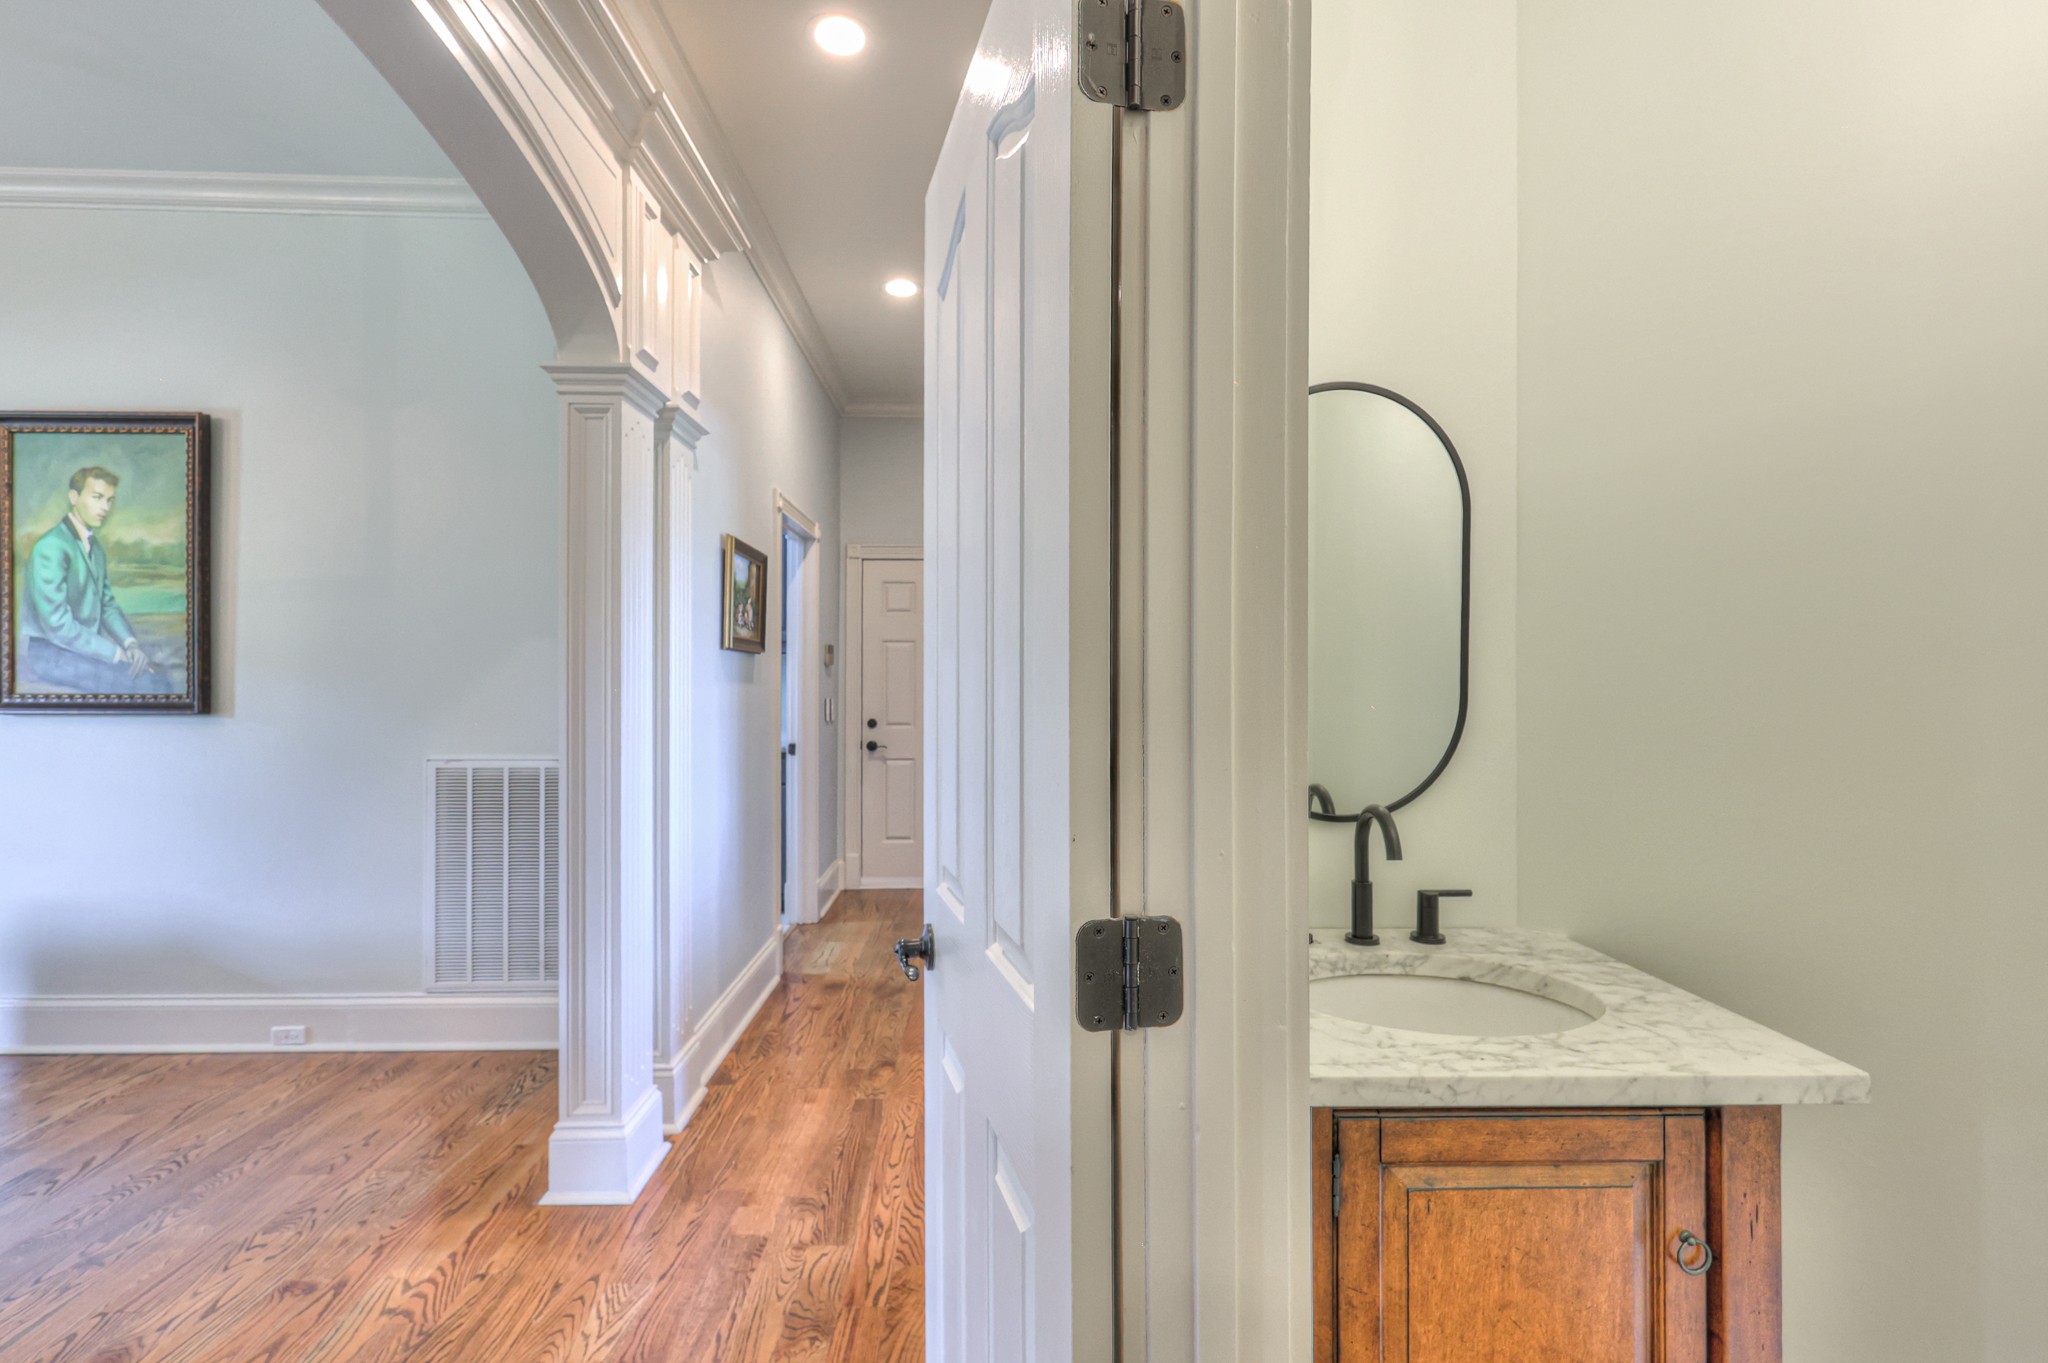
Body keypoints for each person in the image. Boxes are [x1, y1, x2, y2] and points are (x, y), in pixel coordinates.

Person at [18, 466, 174, 694]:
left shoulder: (97, 549)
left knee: (155, 674)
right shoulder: (51, 547)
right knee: (153, 685)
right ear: (74, 497)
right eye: (98, 497)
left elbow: (107, 604)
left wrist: (130, 643)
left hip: (84, 650)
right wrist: (115, 653)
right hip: (51, 656)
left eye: (110, 500)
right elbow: (58, 626)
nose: (105, 507)